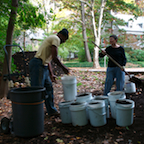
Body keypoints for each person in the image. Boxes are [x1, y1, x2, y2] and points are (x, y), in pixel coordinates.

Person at [29, 28, 70, 116]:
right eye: (64, 39)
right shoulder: (56, 39)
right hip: (37, 64)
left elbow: (49, 60)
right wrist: (64, 68)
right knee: (37, 91)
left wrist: (51, 74)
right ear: (61, 35)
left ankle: (51, 111)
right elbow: (55, 57)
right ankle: (35, 114)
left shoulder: (53, 40)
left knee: (49, 88)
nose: (63, 42)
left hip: (43, 66)